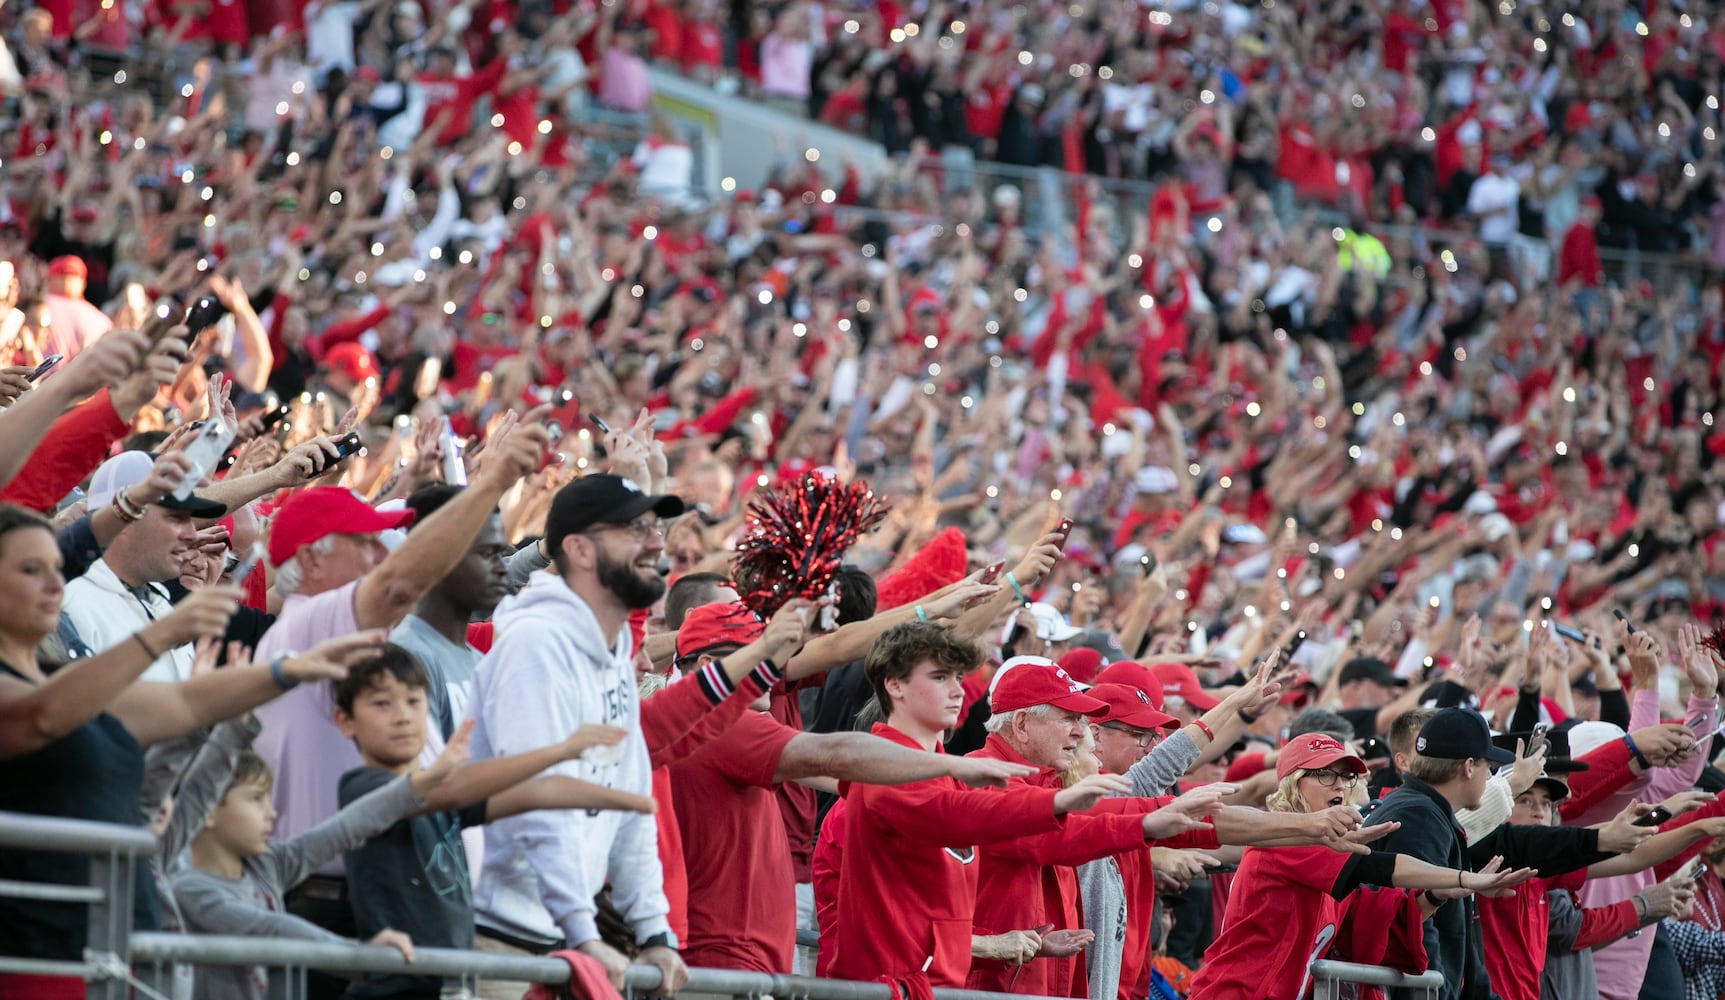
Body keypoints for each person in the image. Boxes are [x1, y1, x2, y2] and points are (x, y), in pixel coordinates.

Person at [0, 502, 379, 994]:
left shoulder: (66, 681)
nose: (56, 584)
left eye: (58, 568)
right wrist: (166, 632)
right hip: (40, 959)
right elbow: (39, 716)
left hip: (113, 952)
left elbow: (182, 702)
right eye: (32, 570)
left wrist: (287, 671)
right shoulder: (35, 693)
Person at [250, 421, 545, 929]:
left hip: (382, 902)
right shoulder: (308, 623)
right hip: (340, 908)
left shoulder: (336, 632)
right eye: (364, 544)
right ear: (310, 559)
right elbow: (398, 586)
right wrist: (492, 484)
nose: (382, 554)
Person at [668, 601, 1042, 974]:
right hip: (725, 961)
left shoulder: (712, 729)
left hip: (736, 960)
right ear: (707, 668)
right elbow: (837, 752)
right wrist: (951, 764)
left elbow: (846, 772)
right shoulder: (718, 724)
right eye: (757, 655)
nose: (773, 671)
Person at [828, 621, 1173, 988]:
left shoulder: (946, 776)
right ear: (894, 685)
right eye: (940, 677)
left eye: (959, 677)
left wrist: (1005, 944)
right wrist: (1067, 805)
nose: (958, 691)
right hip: (892, 987)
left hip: (927, 986)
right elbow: (962, 817)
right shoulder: (891, 775)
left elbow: (936, 910)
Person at [467, 474, 691, 997]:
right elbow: (536, 798)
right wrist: (583, 930)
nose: (657, 542)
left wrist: (654, 930)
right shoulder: (536, 644)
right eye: (635, 528)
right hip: (499, 941)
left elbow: (632, 802)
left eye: (655, 527)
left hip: (557, 939)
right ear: (579, 549)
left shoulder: (612, 651)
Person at [333, 645, 654, 1000]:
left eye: (414, 701)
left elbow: (536, 793)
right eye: (382, 703)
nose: (403, 716)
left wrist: (633, 802)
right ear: (345, 721)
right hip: (392, 989)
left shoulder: (442, 794)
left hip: (451, 985)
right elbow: (447, 792)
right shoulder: (362, 786)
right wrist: (558, 751)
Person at [1188, 735, 1536, 1000]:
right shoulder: (1286, 838)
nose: (1340, 784)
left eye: (1344, 776)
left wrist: (1438, 894)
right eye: (1324, 775)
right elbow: (1381, 868)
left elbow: (1372, 922)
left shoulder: (1323, 848)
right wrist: (1464, 876)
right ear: (1292, 784)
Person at [1360, 708, 1656, 1000]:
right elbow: (1419, 935)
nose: (1490, 778)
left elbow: (1516, 844)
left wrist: (1601, 839)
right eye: (1489, 768)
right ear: (1467, 767)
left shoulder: (1430, 813)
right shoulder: (1419, 816)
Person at [173, 744, 455, 1000]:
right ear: (206, 810)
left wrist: (418, 786)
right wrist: (360, 955)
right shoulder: (189, 889)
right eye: (255, 799)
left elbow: (345, 827)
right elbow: (272, 929)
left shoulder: (266, 864)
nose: (271, 813)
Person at [62, 451, 228, 682]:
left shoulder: (159, 600)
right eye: (177, 518)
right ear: (126, 516)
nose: (192, 534)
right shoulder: (73, 601)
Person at [387, 484, 513, 743]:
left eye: (502, 554)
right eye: (488, 554)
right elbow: (423, 780)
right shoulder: (408, 657)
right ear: (438, 556)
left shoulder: (477, 659)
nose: (502, 569)